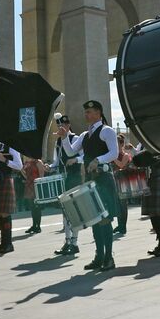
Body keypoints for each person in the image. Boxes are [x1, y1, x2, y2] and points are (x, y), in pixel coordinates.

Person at [58, 100, 120, 272]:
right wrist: (64, 138)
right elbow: (71, 151)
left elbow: (114, 153)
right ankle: (99, 257)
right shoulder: (85, 134)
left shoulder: (107, 131)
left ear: (99, 113)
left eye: (90, 112)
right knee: (94, 220)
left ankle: (109, 258)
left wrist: (97, 160)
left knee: (105, 220)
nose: (87, 115)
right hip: (91, 182)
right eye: (86, 112)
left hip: (104, 180)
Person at [51, 114, 85, 257]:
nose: (61, 128)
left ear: (68, 125)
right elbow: (56, 161)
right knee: (65, 211)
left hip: (74, 177)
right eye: (59, 126)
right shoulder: (58, 141)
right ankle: (67, 241)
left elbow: (84, 155)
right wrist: (50, 166)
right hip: (65, 178)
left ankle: (75, 243)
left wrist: (75, 160)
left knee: (74, 210)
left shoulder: (75, 139)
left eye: (63, 126)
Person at [134, 150, 160, 257]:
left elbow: (138, 160)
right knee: (153, 215)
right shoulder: (147, 146)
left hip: (159, 179)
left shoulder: (158, 146)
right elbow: (136, 161)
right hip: (150, 181)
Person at [0, 142, 21, 254]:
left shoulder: (11, 146)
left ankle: (8, 244)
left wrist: (5, 160)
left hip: (6, 179)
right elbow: (0, 165)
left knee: (5, 213)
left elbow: (19, 165)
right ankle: (3, 243)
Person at [21, 153, 47, 235]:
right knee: (32, 207)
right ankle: (34, 225)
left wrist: (39, 187)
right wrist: (21, 170)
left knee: (37, 207)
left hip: (36, 185)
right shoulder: (27, 162)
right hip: (29, 185)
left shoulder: (38, 162)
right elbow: (26, 175)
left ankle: (38, 226)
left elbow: (42, 175)